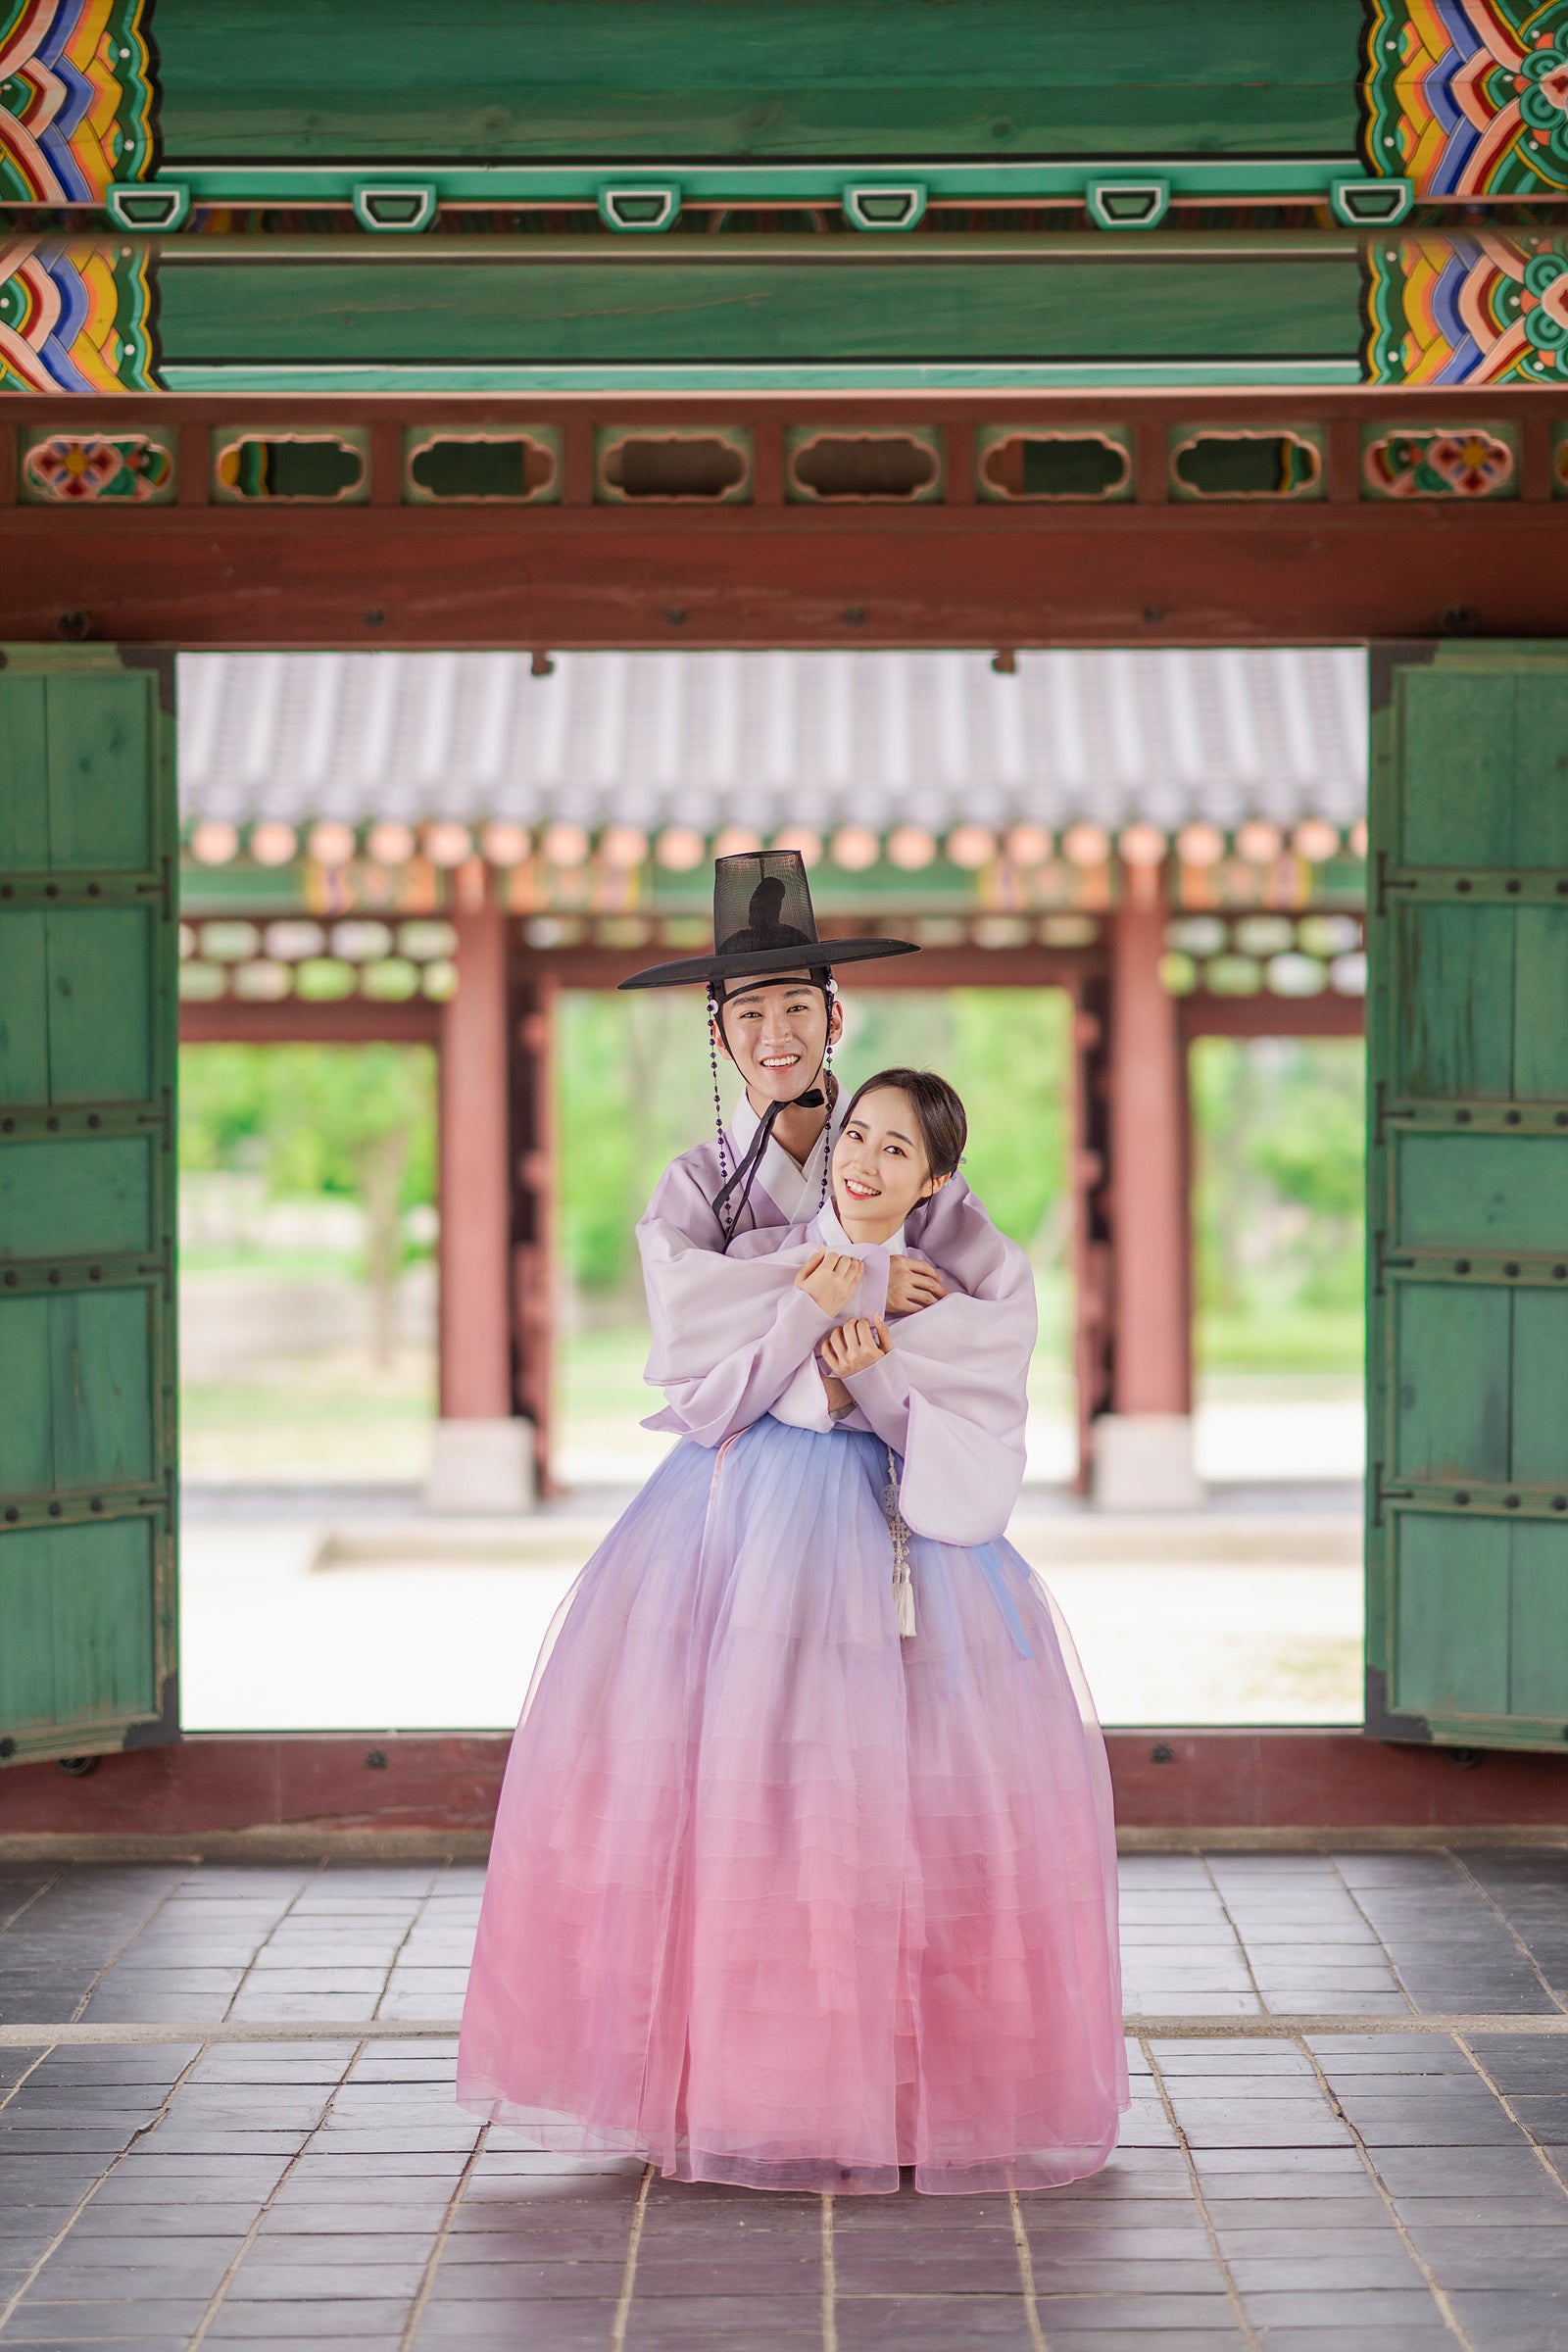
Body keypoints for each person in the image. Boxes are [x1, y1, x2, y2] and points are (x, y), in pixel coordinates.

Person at [458, 1061, 1127, 2194]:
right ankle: (734, 2082)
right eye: (856, 1136)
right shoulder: (772, 1251)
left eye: (897, 1151)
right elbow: (721, 1393)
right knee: (748, 1794)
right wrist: (833, 1295)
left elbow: (970, 1427)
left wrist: (873, 1382)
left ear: (936, 1178)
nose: (863, 1162)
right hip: (741, 1532)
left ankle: (906, 2087)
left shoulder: (960, 1279)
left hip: (899, 1548)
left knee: (893, 1802)